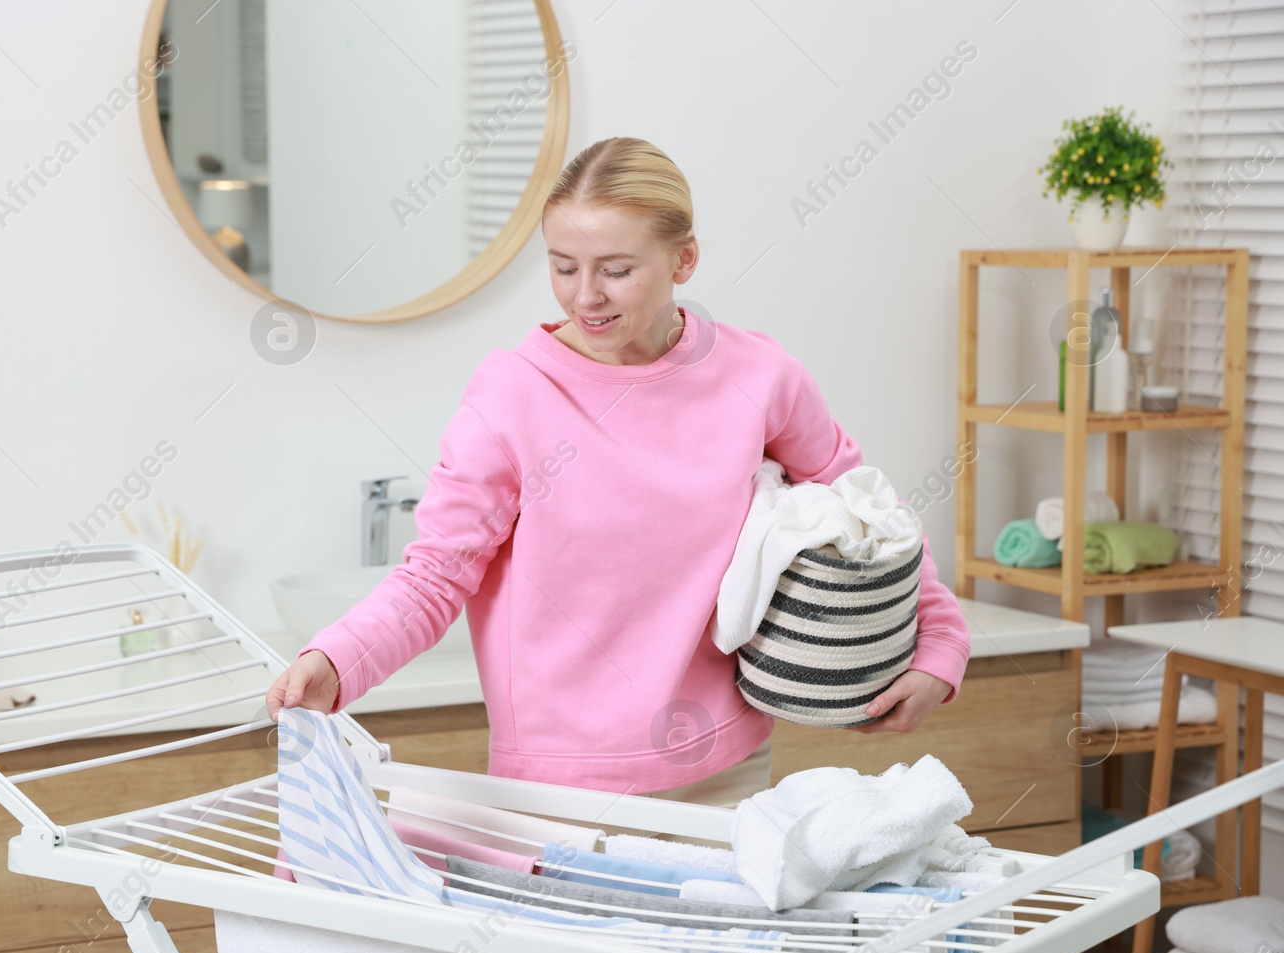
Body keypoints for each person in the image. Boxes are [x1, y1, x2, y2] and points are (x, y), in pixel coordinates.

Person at [265, 136, 971, 808]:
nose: (584, 296)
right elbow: (434, 575)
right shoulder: (513, 395)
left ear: (683, 259)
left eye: (616, 268)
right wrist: (336, 660)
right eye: (563, 265)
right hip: (558, 791)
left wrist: (941, 645)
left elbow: (869, 509)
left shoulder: (759, 376)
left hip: (726, 770)